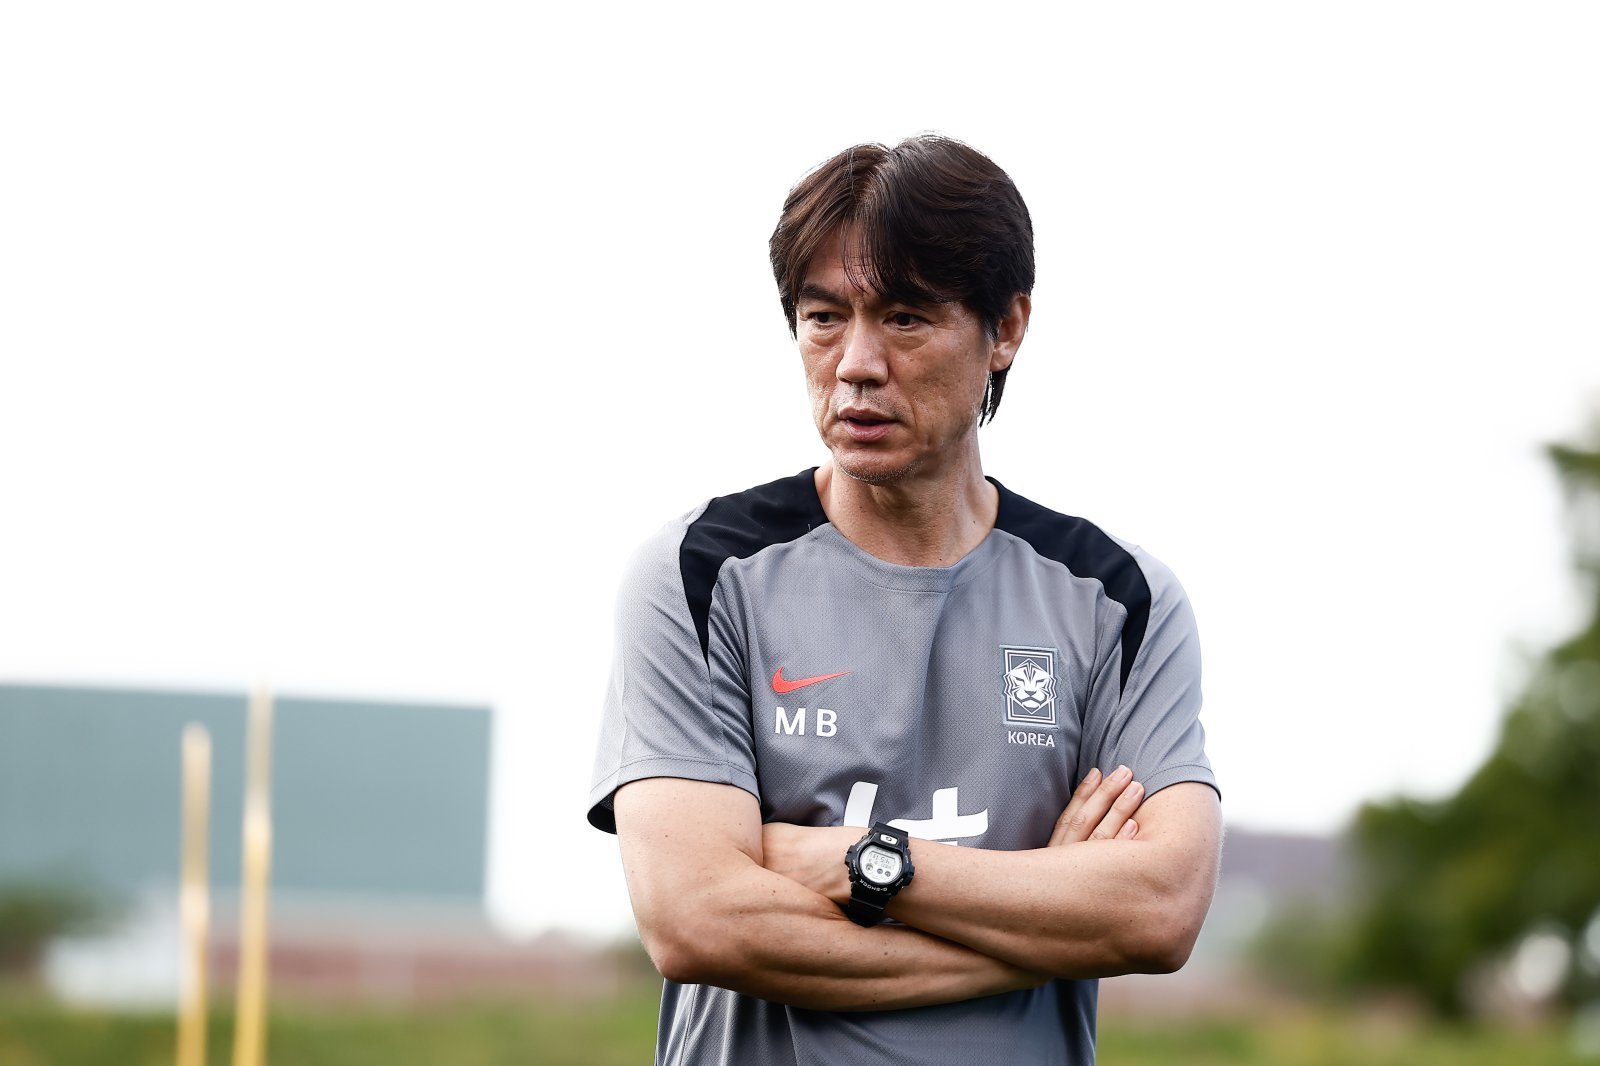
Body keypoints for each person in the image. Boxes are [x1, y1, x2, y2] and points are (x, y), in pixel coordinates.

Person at [587, 134, 1222, 1065]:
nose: (856, 362)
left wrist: (858, 862)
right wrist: (1046, 915)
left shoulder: (1120, 602)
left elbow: (1159, 911)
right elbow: (698, 922)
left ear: (1006, 328)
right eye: (823, 317)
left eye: (906, 318)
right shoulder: (697, 574)